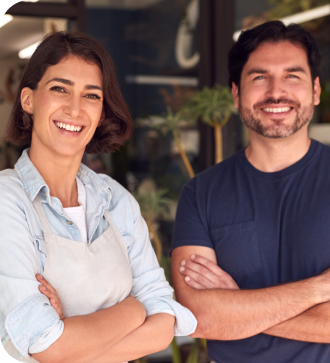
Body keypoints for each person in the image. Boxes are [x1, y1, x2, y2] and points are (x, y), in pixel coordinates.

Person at [0, 31, 196, 363]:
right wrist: (133, 310)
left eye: (91, 95)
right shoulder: (8, 201)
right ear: (28, 100)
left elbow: (164, 324)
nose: (75, 109)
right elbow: (47, 345)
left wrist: (71, 341)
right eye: (59, 89)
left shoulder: (115, 200)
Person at [170, 20, 330, 363]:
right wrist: (318, 290)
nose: (276, 92)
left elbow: (218, 317)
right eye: (259, 77)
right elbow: (197, 316)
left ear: (315, 90)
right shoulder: (202, 193)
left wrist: (238, 304)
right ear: (236, 93)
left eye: (293, 76)